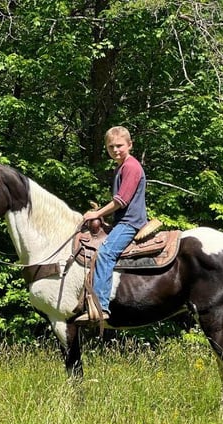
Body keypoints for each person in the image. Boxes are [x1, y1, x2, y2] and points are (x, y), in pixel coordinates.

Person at [75, 126, 148, 323]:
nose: (115, 150)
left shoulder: (131, 167)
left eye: (119, 146)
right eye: (110, 147)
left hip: (130, 222)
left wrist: (96, 213)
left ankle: (100, 307)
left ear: (130, 145)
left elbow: (121, 201)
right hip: (122, 221)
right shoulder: (121, 167)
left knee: (105, 253)